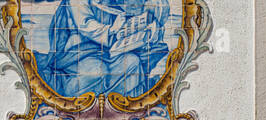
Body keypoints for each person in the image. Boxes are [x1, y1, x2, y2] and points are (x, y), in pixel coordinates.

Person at [40, 0, 172, 98]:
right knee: (99, 71)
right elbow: (86, 25)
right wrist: (112, 29)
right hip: (78, 51)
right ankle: (72, 91)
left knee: (133, 62)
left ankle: (125, 104)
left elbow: (126, 14)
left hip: (106, 49)